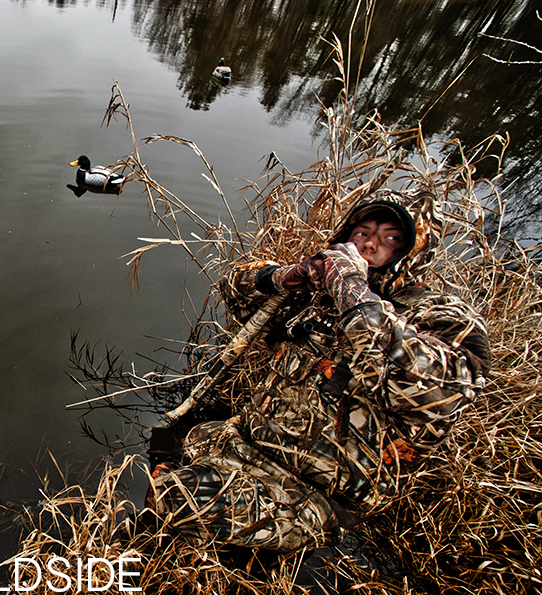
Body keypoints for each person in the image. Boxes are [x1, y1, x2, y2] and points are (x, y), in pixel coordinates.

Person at [145, 190, 491, 552]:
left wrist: (353, 292)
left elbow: (426, 392)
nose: (370, 245)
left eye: (390, 239)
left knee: (179, 505)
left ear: (411, 254)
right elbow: (235, 291)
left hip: (312, 496)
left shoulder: (445, 319)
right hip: (240, 443)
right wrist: (284, 277)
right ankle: (188, 482)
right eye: (362, 232)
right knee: (169, 437)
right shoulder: (320, 291)